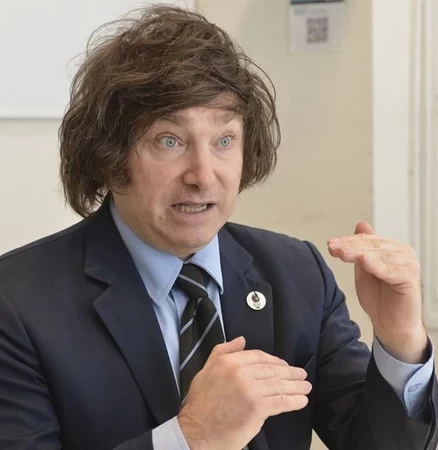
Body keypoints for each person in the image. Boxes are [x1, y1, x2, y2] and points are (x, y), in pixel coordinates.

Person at [0, 5, 436, 450]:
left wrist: (401, 341)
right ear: (109, 157)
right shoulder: (16, 302)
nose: (203, 176)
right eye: (169, 141)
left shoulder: (298, 273)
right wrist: (191, 436)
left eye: (224, 140)